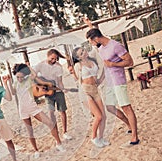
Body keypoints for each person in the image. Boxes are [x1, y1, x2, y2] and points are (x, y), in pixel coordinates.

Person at [84, 19, 139, 147]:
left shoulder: (116, 45)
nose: (91, 44)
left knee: (126, 107)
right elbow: (94, 34)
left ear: (96, 39)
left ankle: (135, 137)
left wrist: (113, 64)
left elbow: (130, 62)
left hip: (118, 81)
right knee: (110, 107)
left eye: (90, 41)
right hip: (109, 82)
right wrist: (89, 25)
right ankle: (130, 125)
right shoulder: (101, 47)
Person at [10, 63, 65, 158]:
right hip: (23, 110)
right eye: (18, 77)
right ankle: (36, 150)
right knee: (30, 131)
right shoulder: (15, 83)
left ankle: (59, 143)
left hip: (33, 107)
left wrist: (28, 67)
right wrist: (7, 83)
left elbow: (34, 75)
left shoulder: (28, 80)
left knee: (50, 123)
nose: (19, 79)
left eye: (21, 77)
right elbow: (13, 93)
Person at [72, 47, 109, 148]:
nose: (84, 52)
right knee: (98, 116)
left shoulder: (92, 60)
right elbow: (77, 80)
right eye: (81, 53)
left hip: (95, 90)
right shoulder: (78, 65)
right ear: (78, 57)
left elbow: (101, 71)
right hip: (85, 91)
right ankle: (93, 137)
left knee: (104, 117)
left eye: (83, 50)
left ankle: (101, 138)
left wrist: (100, 79)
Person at [34, 49, 72, 140]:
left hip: (58, 92)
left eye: (56, 59)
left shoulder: (58, 67)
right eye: (52, 58)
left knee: (62, 111)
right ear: (48, 56)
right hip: (48, 93)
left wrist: (62, 89)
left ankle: (65, 132)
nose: (54, 61)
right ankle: (56, 131)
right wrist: (40, 86)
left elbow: (59, 81)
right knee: (51, 112)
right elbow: (33, 76)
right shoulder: (40, 65)